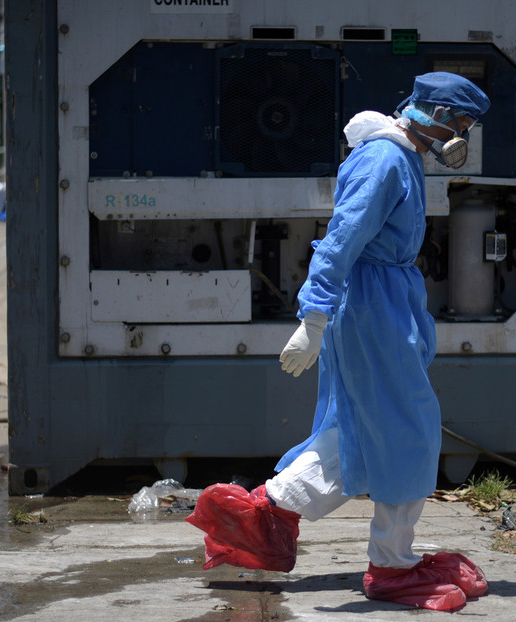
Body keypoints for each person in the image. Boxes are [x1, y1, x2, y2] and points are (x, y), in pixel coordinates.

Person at [188, 72, 491, 612]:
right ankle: (392, 566)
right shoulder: (386, 160)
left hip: (382, 303)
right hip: (370, 307)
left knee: (362, 427)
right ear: (440, 115)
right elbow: (341, 238)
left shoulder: (401, 155)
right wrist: (314, 317)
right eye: (463, 122)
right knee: (408, 432)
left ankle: (264, 513)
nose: (464, 134)